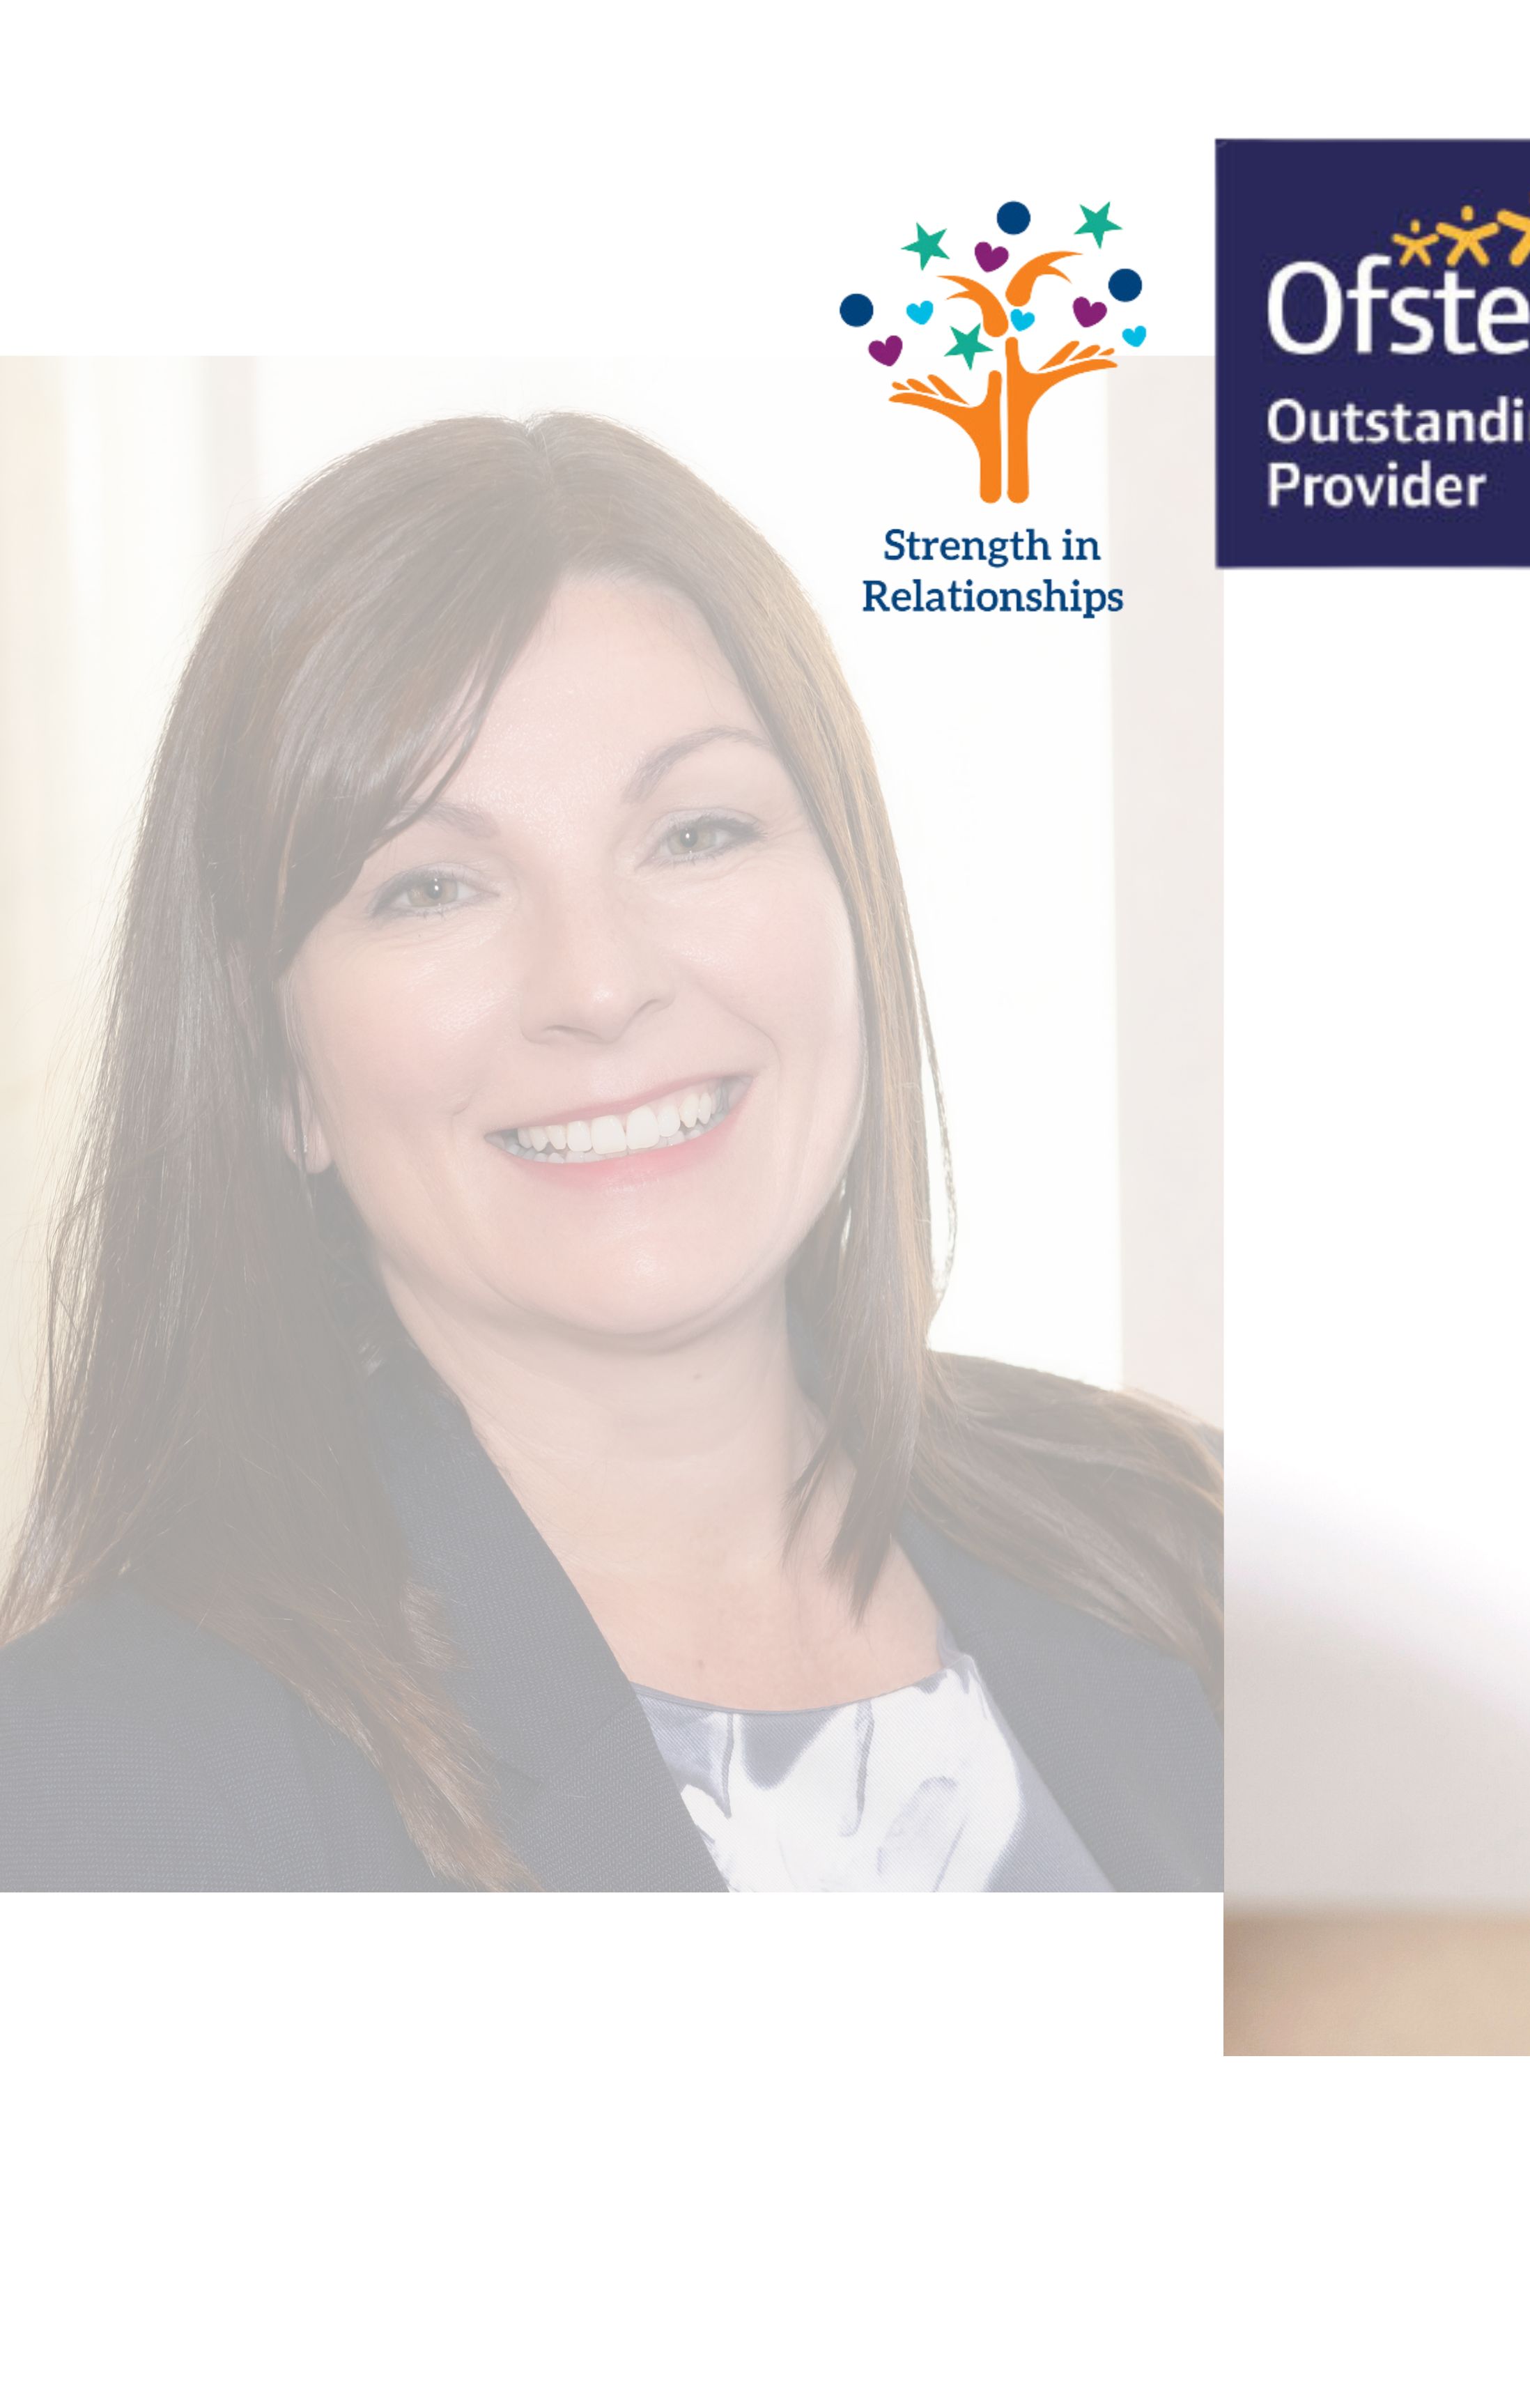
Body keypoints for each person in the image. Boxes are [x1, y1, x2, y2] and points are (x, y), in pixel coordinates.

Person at [0, 414, 1218, 1891]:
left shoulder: (1190, 1549)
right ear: (281, 1072)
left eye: (697, 835)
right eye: (433, 886)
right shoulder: (103, 1784)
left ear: (855, 911)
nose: (597, 983)